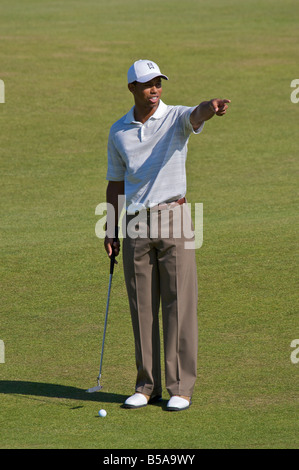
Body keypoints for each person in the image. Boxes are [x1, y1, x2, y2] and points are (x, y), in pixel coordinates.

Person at [104, 59, 230, 411]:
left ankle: (180, 387)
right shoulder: (119, 131)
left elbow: (197, 114)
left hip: (174, 216)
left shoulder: (175, 117)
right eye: (147, 84)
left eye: (158, 82)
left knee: (179, 303)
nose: (155, 89)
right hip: (134, 225)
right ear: (132, 88)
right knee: (142, 307)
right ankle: (146, 386)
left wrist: (211, 107)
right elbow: (115, 182)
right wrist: (111, 228)